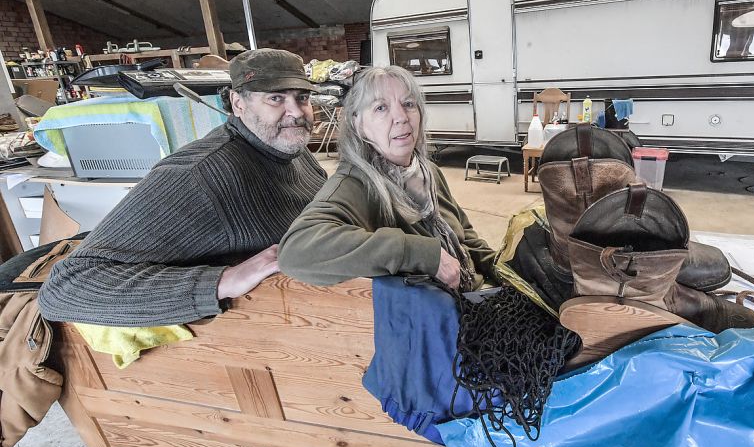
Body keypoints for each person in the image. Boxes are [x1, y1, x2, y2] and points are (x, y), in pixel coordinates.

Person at [38, 49, 327, 326]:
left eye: (302, 98)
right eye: (276, 98)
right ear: (238, 104)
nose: (296, 112)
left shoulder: (288, 149)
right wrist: (223, 281)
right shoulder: (199, 176)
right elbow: (67, 286)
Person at [278, 65, 495, 291]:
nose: (401, 117)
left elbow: (465, 236)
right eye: (381, 108)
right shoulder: (355, 185)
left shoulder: (427, 171)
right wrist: (422, 254)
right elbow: (297, 250)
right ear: (358, 125)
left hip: (474, 293)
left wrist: (502, 269)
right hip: (440, 315)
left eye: (408, 104)